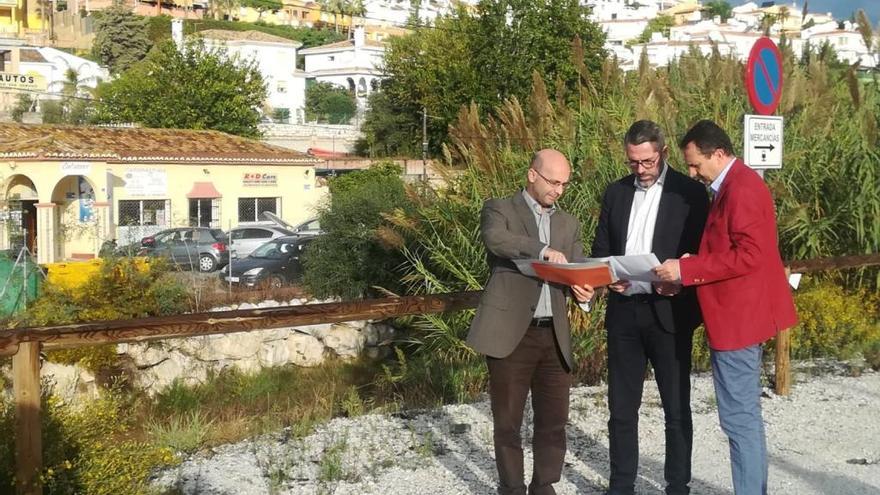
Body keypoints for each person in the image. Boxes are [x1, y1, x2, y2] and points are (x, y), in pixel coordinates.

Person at [654, 120, 798, 494]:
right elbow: (734, 248)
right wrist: (695, 260)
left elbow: (749, 255)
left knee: (739, 420)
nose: (692, 173)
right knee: (743, 419)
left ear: (718, 154)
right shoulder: (737, 184)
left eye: (696, 164)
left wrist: (687, 268)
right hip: (741, 316)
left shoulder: (741, 188)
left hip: (738, 321)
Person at [591, 120, 709, 495]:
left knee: (676, 409)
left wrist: (680, 282)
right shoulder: (615, 192)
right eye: (632, 162)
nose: (640, 170)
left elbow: (703, 256)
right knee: (621, 410)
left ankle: (678, 485)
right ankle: (621, 485)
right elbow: (601, 249)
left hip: (670, 312)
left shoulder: (689, 193)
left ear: (663, 153)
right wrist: (609, 275)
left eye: (646, 162)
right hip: (624, 312)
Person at [467, 149, 594, 495]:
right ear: (532, 175)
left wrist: (585, 292)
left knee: (553, 422)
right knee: (508, 422)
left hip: (554, 337)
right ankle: (511, 488)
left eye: (565, 184)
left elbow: (579, 267)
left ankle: (544, 486)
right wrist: (542, 250)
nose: (559, 190)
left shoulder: (569, 224)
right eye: (554, 182)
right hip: (510, 336)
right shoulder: (500, 208)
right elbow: (496, 240)